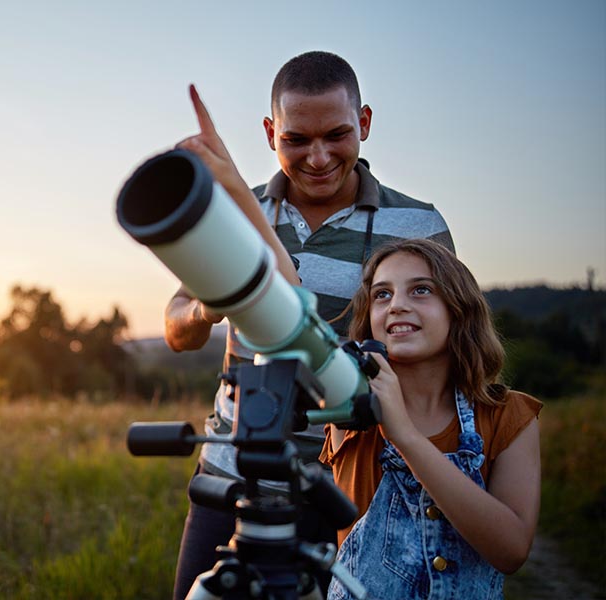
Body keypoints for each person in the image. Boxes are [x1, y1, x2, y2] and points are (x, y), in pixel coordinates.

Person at [169, 51, 455, 599]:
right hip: (237, 476)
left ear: (364, 124)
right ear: (270, 132)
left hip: (357, 485)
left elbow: (445, 358)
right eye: (296, 139)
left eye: (337, 135)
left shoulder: (420, 225)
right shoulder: (233, 209)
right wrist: (210, 303)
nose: (318, 157)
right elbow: (178, 326)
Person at [322, 238, 541, 599]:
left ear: (459, 309)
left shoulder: (508, 415)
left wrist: (405, 436)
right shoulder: (351, 407)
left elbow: (511, 551)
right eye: (382, 295)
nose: (397, 306)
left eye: (420, 290)